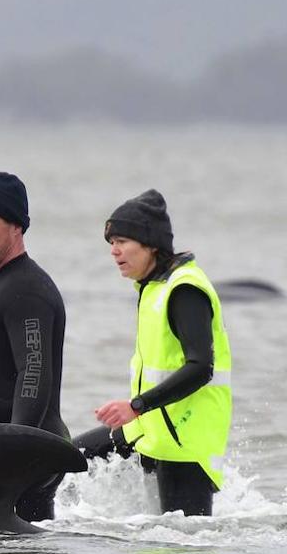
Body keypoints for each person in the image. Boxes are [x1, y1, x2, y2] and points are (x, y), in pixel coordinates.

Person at [81, 189, 232, 516]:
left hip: (185, 443)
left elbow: (201, 367)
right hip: (150, 429)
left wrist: (137, 405)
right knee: (65, 459)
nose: (114, 251)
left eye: (122, 241)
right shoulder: (153, 287)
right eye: (110, 243)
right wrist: (139, 411)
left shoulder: (184, 289)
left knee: (182, 550)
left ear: (150, 244)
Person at [0, 171, 69, 521]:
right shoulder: (1, 284)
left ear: (16, 227)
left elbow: (33, 371)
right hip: (3, 451)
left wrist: (16, 449)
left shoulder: (26, 291)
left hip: (25, 456)